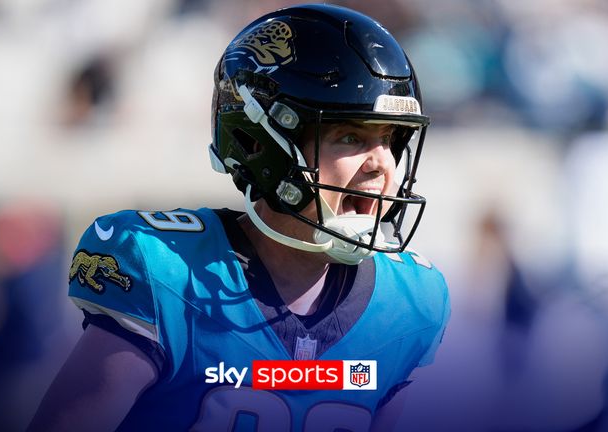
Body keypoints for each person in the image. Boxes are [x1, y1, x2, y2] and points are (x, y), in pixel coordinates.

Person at [28, 4, 450, 431]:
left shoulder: (409, 302)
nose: (382, 165)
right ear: (261, 142)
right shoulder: (168, 273)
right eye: (349, 135)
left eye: (391, 139)